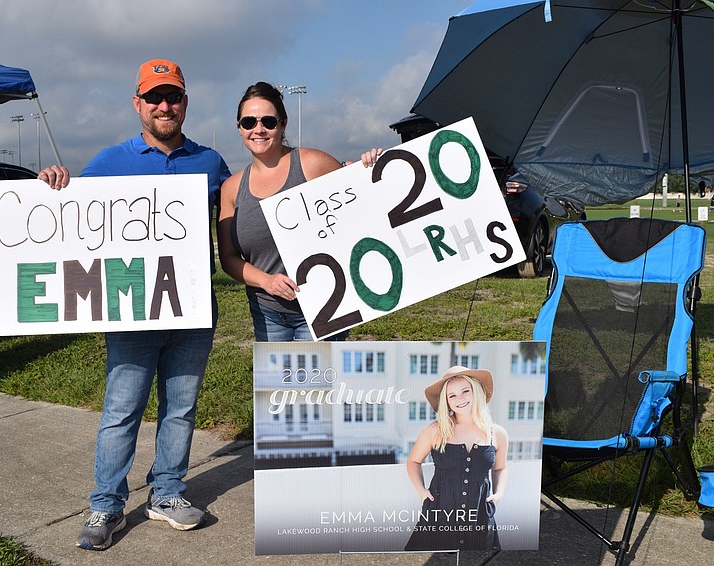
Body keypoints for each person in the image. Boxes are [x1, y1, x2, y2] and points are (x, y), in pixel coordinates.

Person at [38, 58, 230, 551]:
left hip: (192, 311)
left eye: (173, 97)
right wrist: (53, 185)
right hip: (131, 310)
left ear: (185, 102)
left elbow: (246, 212)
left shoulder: (210, 162)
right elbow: (71, 222)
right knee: (121, 410)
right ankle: (106, 504)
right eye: (154, 97)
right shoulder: (107, 162)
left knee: (181, 409)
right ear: (137, 103)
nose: (164, 106)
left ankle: (166, 493)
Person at [216, 81, 383, 342]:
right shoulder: (231, 188)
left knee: (315, 384)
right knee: (278, 385)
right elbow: (228, 257)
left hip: (324, 306)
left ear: (283, 124)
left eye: (268, 121)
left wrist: (370, 168)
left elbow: (367, 203)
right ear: (239, 128)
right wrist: (266, 281)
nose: (258, 129)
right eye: (249, 122)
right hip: (267, 313)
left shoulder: (313, 164)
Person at [404, 366, 508, 552]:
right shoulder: (436, 431)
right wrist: (421, 491)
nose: (459, 399)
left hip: (479, 517)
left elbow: (500, 468)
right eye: (452, 395)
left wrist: (499, 494)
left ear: (476, 391)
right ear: (446, 401)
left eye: (465, 391)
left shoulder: (497, 433)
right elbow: (413, 461)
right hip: (439, 514)